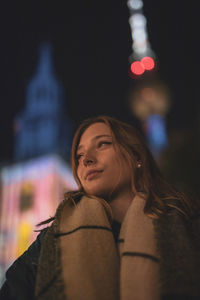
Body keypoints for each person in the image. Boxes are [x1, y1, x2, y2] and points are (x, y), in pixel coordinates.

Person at [1, 115, 200, 300]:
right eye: (79, 155)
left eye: (103, 144)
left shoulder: (186, 221)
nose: (86, 159)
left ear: (136, 155)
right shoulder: (50, 241)